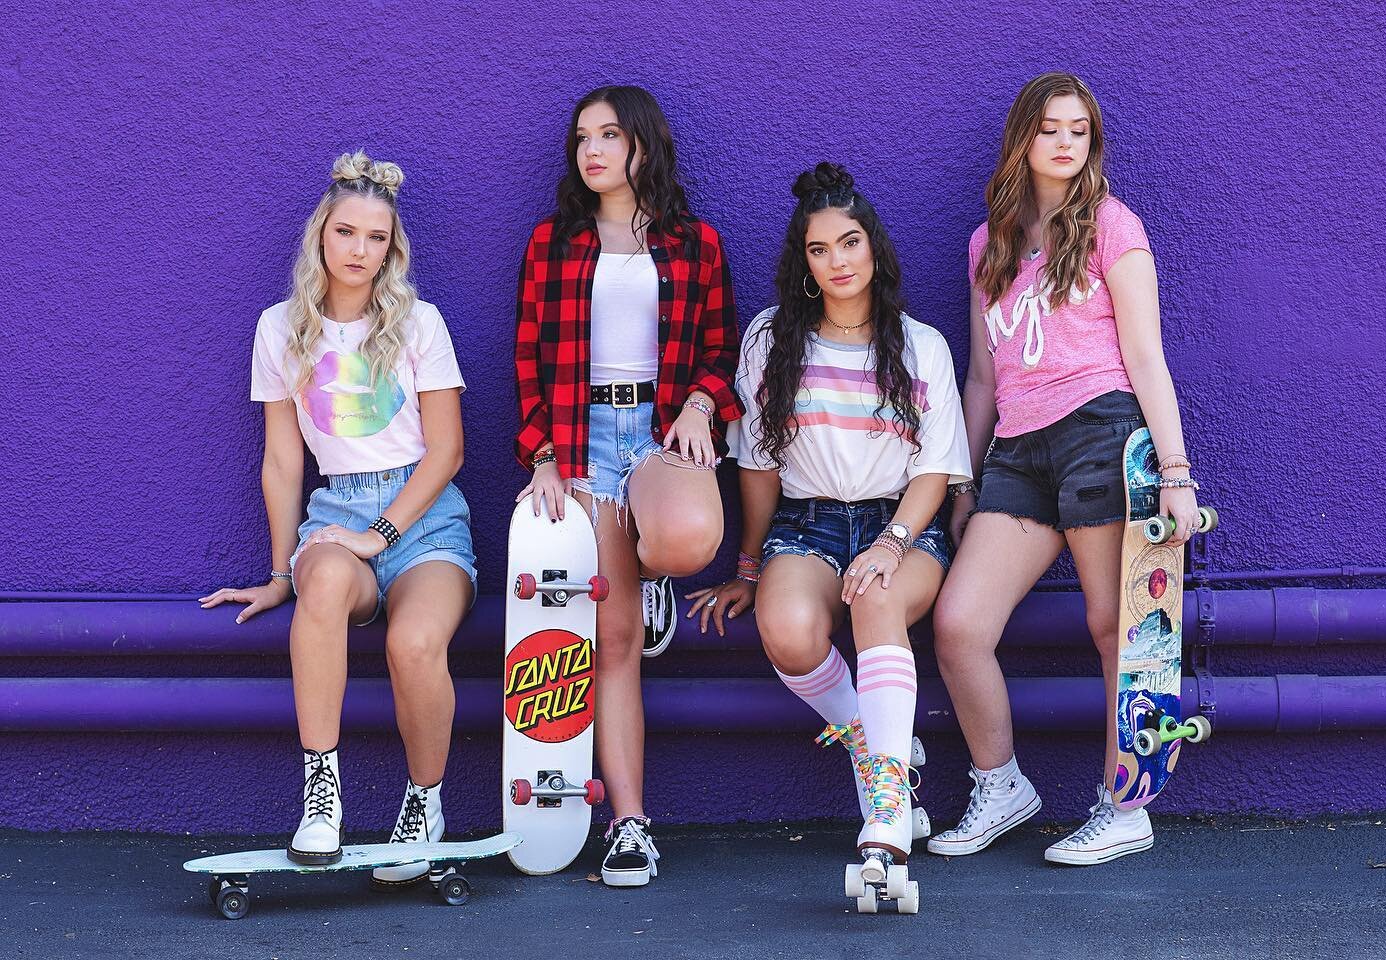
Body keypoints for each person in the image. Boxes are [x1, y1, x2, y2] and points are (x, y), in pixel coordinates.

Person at [928, 73, 1204, 865]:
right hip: (1017, 450)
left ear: (1091, 143)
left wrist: (1176, 472)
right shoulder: (990, 241)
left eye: (1078, 130)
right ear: (1024, 136)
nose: (1063, 142)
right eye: (1049, 127)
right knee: (959, 624)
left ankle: (1128, 805)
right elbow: (982, 379)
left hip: (1101, 434)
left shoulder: (1113, 226)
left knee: (1114, 626)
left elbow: (1146, 357)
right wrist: (964, 479)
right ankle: (1002, 784)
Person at [686, 163, 971, 897]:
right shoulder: (772, 341)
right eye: (821, 250)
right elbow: (757, 468)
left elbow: (935, 472)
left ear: (873, 247)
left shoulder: (920, 345)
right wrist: (748, 568)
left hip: (901, 525)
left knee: (876, 598)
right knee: (786, 630)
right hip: (805, 526)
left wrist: (890, 544)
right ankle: (884, 750)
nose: (839, 261)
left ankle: (883, 816)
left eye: (850, 243)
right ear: (804, 263)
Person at [202, 151, 475, 885]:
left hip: (425, 522)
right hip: (336, 512)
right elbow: (284, 463)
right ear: (320, 235)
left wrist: (379, 534)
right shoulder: (279, 330)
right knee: (321, 581)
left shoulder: (420, 323)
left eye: (376, 238)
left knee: (415, 644)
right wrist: (277, 573)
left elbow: (446, 451)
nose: (359, 251)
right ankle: (321, 799)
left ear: (393, 248)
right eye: (346, 232)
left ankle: (424, 803)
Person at [513, 85, 741, 886]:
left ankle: (649, 569)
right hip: (581, 439)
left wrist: (704, 404)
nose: (593, 150)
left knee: (686, 539)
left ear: (644, 144)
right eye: (583, 138)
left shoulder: (695, 243)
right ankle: (631, 826)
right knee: (611, 647)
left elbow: (721, 350)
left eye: (610, 135)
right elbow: (530, 356)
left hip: (657, 434)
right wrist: (543, 454)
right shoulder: (554, 242)